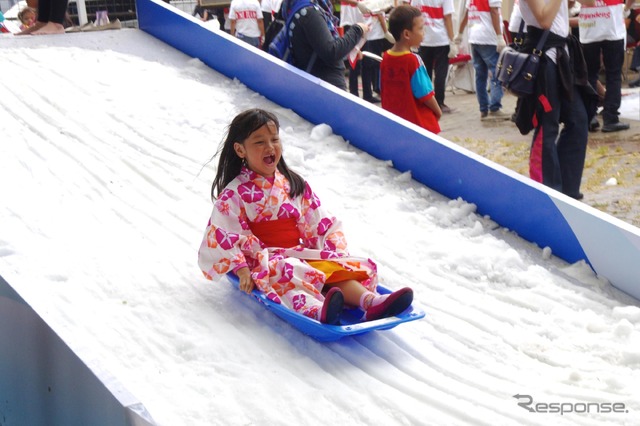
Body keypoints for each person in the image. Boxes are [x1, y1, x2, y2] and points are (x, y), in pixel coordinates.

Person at [198, 109, 414, 325]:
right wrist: (242, 269)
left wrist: (332, 252)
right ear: (240, 149)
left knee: (330, 268)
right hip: (264, 259)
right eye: (259, 142)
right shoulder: (233, 194)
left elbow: (320, 222)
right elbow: (224, 234)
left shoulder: (293, 184)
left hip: (296, 251)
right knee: (288, 271)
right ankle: (319, 310)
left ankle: (371, 301)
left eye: (274, 139)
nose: (270, 147)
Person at [515, 0, 598, 200]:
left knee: (579, 120)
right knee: (547, 126)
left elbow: (591, 3)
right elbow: (544, 19)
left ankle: (567, 191)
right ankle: (546, 193)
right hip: (543, 58)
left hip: (563, 56)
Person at [380, 4, 442, 133]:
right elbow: (425, 94)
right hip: (418, 125)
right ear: (407, 34)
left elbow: (383, 90)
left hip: (394, 125)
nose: (423, 33)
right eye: (420, 29)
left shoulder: (386, 58)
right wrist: (438, 111)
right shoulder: (413, 61)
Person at [577, 0, 634, 133]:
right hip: (612, 25)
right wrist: (626, 8)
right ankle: (611, 118)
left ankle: (590, 116)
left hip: (589, 26)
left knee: (589, 74)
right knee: (613, 75)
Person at [288, 0, 371, 89]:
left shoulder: (303, 8)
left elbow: (317, 46)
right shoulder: (310, 13)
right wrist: (357, 30)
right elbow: (331, 51)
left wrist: (348, 48)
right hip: (323, 87)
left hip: (318, 83)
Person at [457, 0, 509, 121]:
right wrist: (499, 36)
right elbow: (494, 12)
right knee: (497, 73)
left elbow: (466, 13)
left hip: (474, 37)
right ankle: (494, 108)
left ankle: (483, 109)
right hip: (488, 37)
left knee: (480, 76)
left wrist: (460, 33)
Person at [411, 0, 458, 113]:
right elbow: (447, 18)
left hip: (423, 38)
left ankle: (425, 101)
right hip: (440, 39)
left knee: (424, 73)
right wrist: (452, 40)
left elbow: (412, 14)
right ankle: (439, 102)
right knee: (440, 72)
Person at [339, 0, 365, 97]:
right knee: (353, 59)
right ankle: (353, 93)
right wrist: (357, 3)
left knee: (360, 60)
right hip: (349, 21)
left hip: (362, 21)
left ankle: (356, 92)